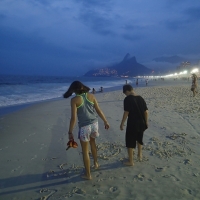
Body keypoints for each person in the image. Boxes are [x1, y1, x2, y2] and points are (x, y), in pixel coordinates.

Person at [63, 81, 110, 180]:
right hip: (94, 124)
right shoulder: (91, 96)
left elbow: (73, 118)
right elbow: (98, 110)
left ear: (74, 90)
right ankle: (96, 163)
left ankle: (88, 174)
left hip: (84, 127)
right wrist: (105, 121)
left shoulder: (74, 100)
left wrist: (70, 132)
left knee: (85, 151)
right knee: (93, 143)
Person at [120, 84, 148, 166]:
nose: (125, 95)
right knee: (139, 138)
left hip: (133, 123)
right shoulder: (141, 98)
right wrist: (146, 122)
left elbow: (126, 112)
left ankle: (131, 161)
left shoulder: (127, 99)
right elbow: (146, 112)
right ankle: (140, 155)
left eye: (125, 93)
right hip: (142, 122)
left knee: (130, 141)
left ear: (127, 91)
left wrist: (122, 123)